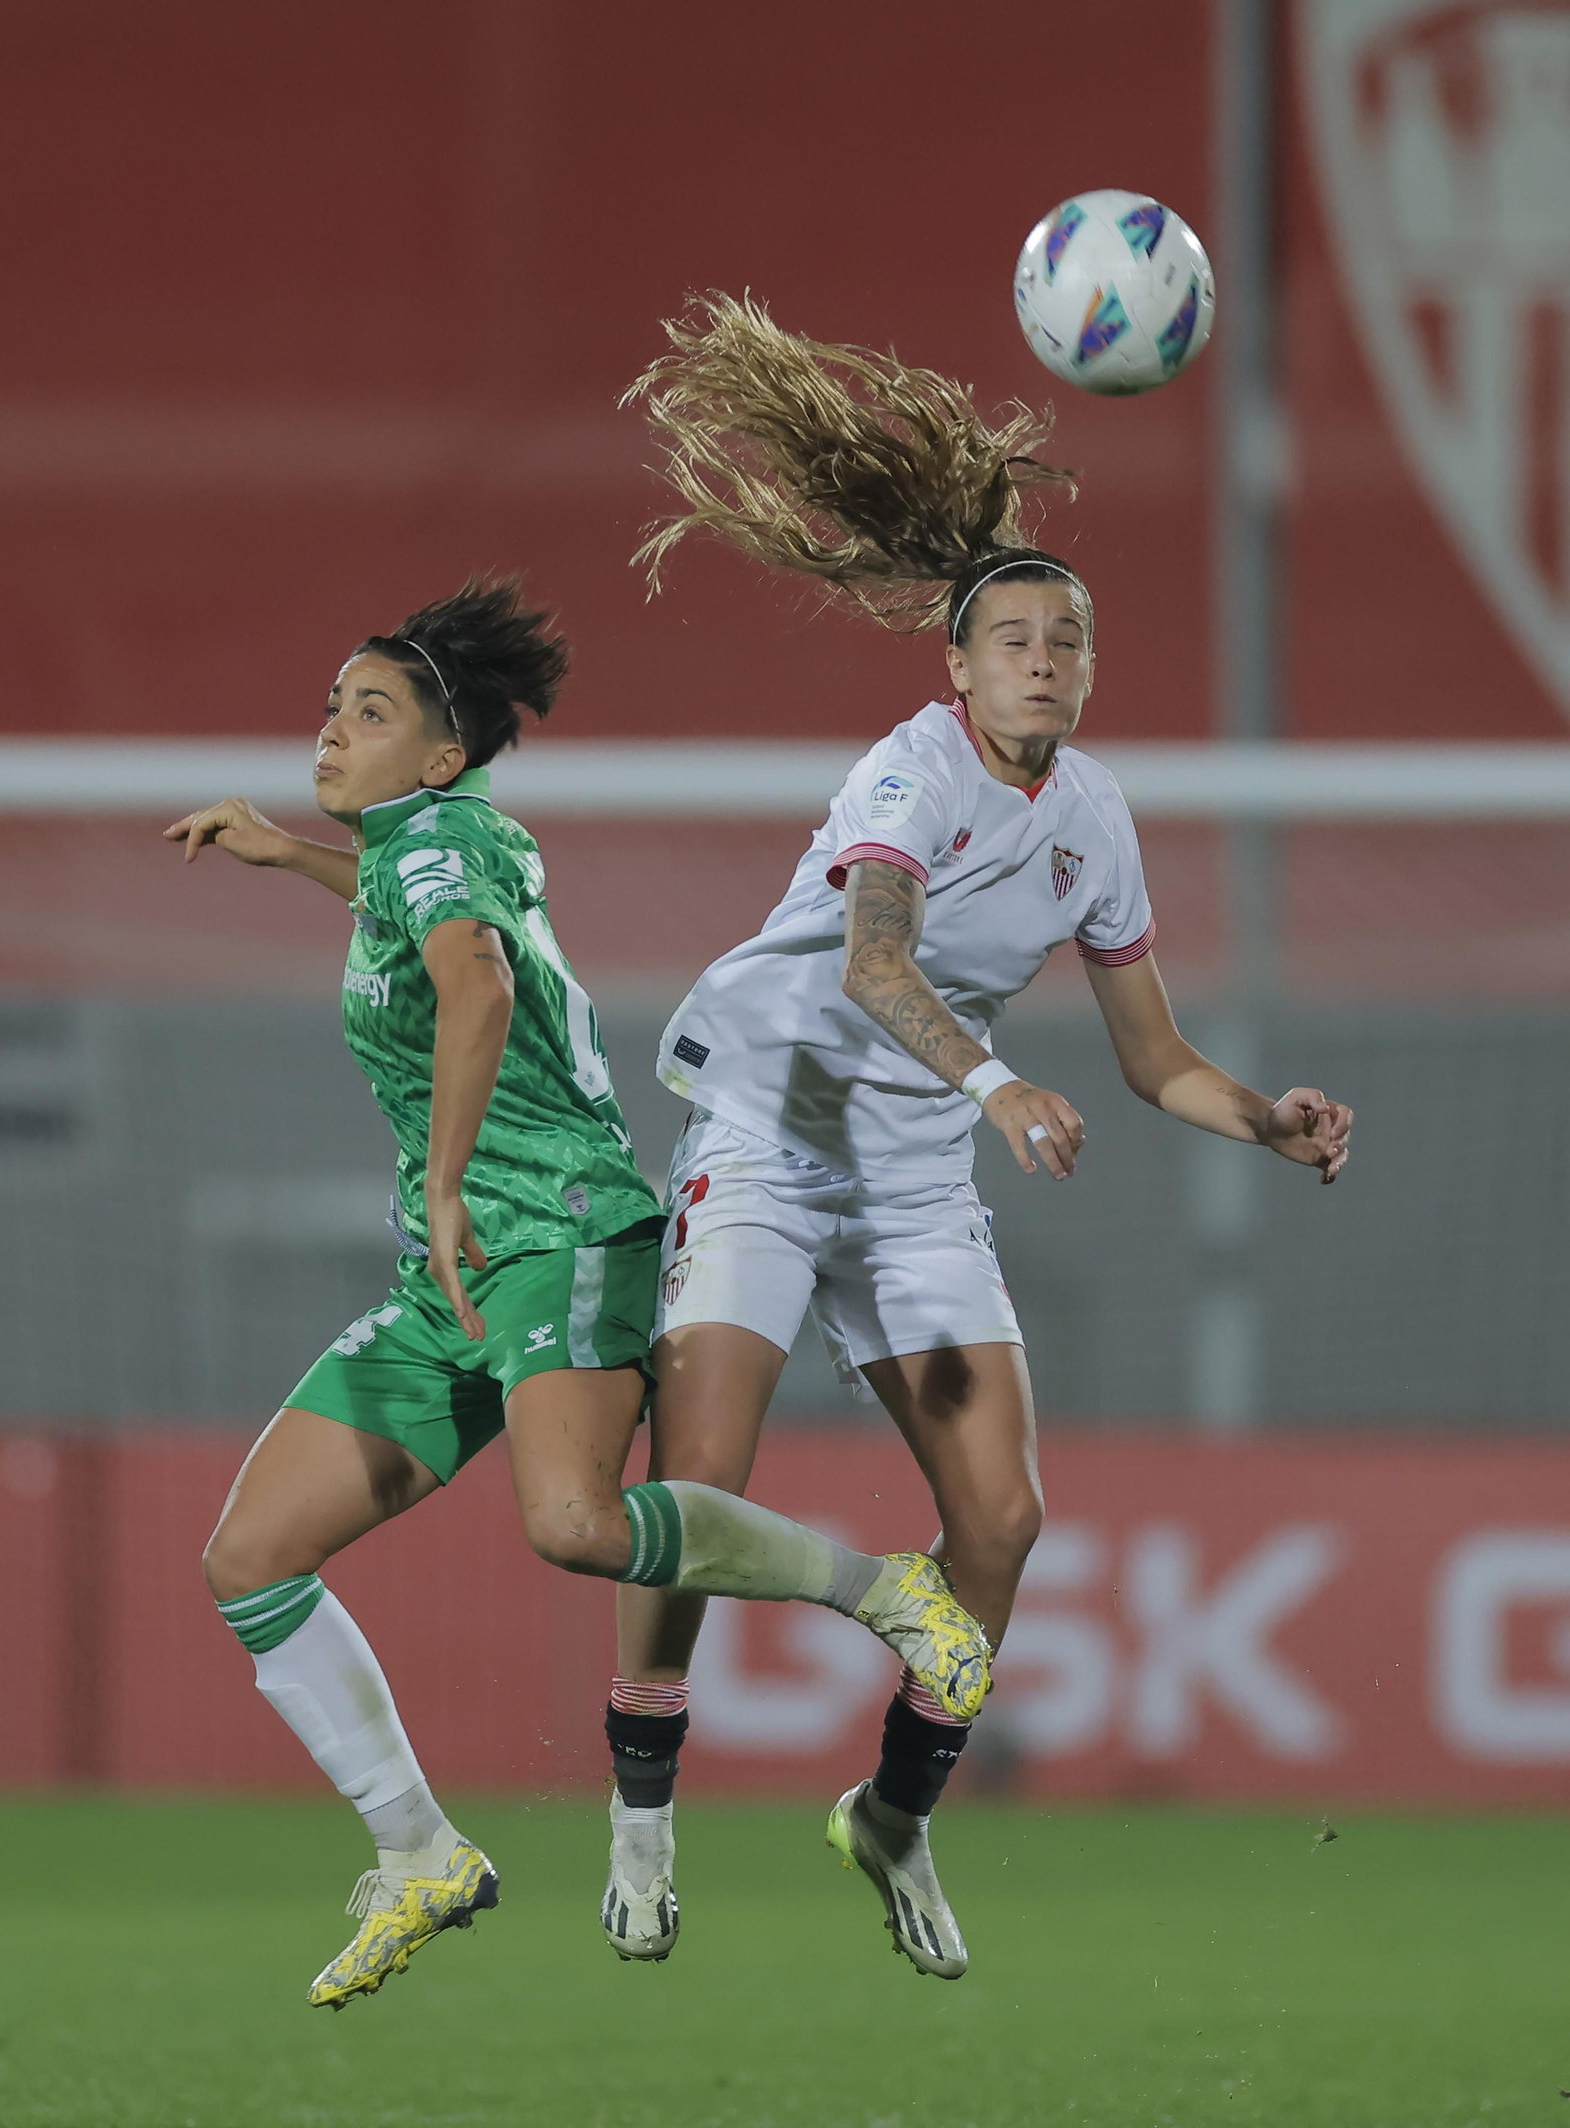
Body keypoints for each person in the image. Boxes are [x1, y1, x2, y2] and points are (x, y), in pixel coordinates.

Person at [599, 299, 1354, 1979]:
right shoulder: (909, 773)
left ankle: (894, 1817)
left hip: (914, 1173)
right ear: (956, 663)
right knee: (699, 1477)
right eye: (1013, 637)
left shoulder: (1096, 819)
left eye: (1067, 641)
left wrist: (1266, 1119)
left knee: (1000, 1527)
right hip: (778, 1126)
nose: (1042, 661)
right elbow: (875, 963)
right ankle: (645, 1802)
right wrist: (998, 1086)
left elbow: (1153, 1057)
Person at [163, 573, 991, 2009]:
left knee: (574, 1525)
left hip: (553, 1231)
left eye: (368, 714)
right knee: (249, 1559)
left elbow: (473, 983)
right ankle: (418, 1848)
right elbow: (429, 915)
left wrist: (437, 1183)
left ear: (436, 756)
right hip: (470, 1267)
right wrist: (294, 856)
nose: (330, 731)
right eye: (328, 707)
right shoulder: (428, 844)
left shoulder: (444, 843)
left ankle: (886, 1591)